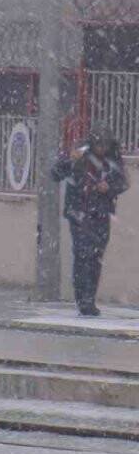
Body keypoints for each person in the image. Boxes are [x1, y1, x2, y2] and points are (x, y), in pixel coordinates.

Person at [52, 129, 129, 316]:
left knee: (95, 258)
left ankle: (89, 300)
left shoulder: (113, 159)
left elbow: (123, 182)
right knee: (81, 255)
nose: (101, 149)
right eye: (98, 145)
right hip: (78, 213)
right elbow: (55, 173)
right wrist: (69, 160)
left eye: (105, 145)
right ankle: (82, 301)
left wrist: (109, 187)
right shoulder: (79, 154)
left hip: (100, 215)